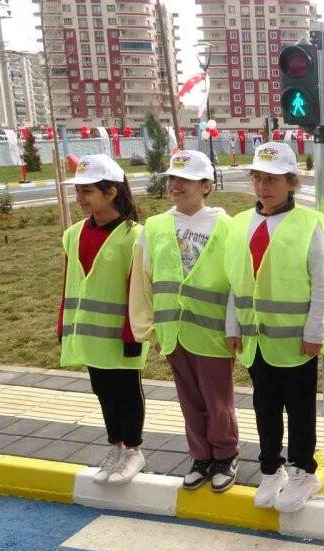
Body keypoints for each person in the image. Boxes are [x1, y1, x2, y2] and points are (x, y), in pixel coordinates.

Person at [224, 142, 324, 512]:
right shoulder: (240, 224)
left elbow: (322, 282)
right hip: (255, 340)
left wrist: (315, 332)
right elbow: (235, 281)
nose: (264, 186)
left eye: (273, 179)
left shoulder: (308, 223)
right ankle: (272, 469)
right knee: (264, 406)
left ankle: (304, 471)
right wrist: (232, 325)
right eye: (258, 178)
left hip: (297, 342)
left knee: (299, 409)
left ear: (291, 182)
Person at [129, 150, 240, 493]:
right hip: (173, 331)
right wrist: (146, 326)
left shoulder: (226, 226)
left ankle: (224, 454)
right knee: (189, 398)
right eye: (172, 179)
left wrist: (234, 327)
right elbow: (143, 280)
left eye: (185, 180)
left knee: (217, 399)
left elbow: (239, 282)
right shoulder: (157, 227)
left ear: (206, 185)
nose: (175, 186)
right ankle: (200, 455)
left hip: (212, 333)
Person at [57, 154, 148, 485]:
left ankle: (133, 450)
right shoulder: (74, 234)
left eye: (87, 192)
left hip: (122, 337)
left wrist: (132, 336)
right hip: (90, 336)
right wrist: (62, 328)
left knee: (126, 392)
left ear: (111, 192)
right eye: (78, 191)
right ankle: (115, 446)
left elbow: (138, 291)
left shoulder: (134, 236)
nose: (80, 198)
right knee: (103, 392)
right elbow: (69, 285)